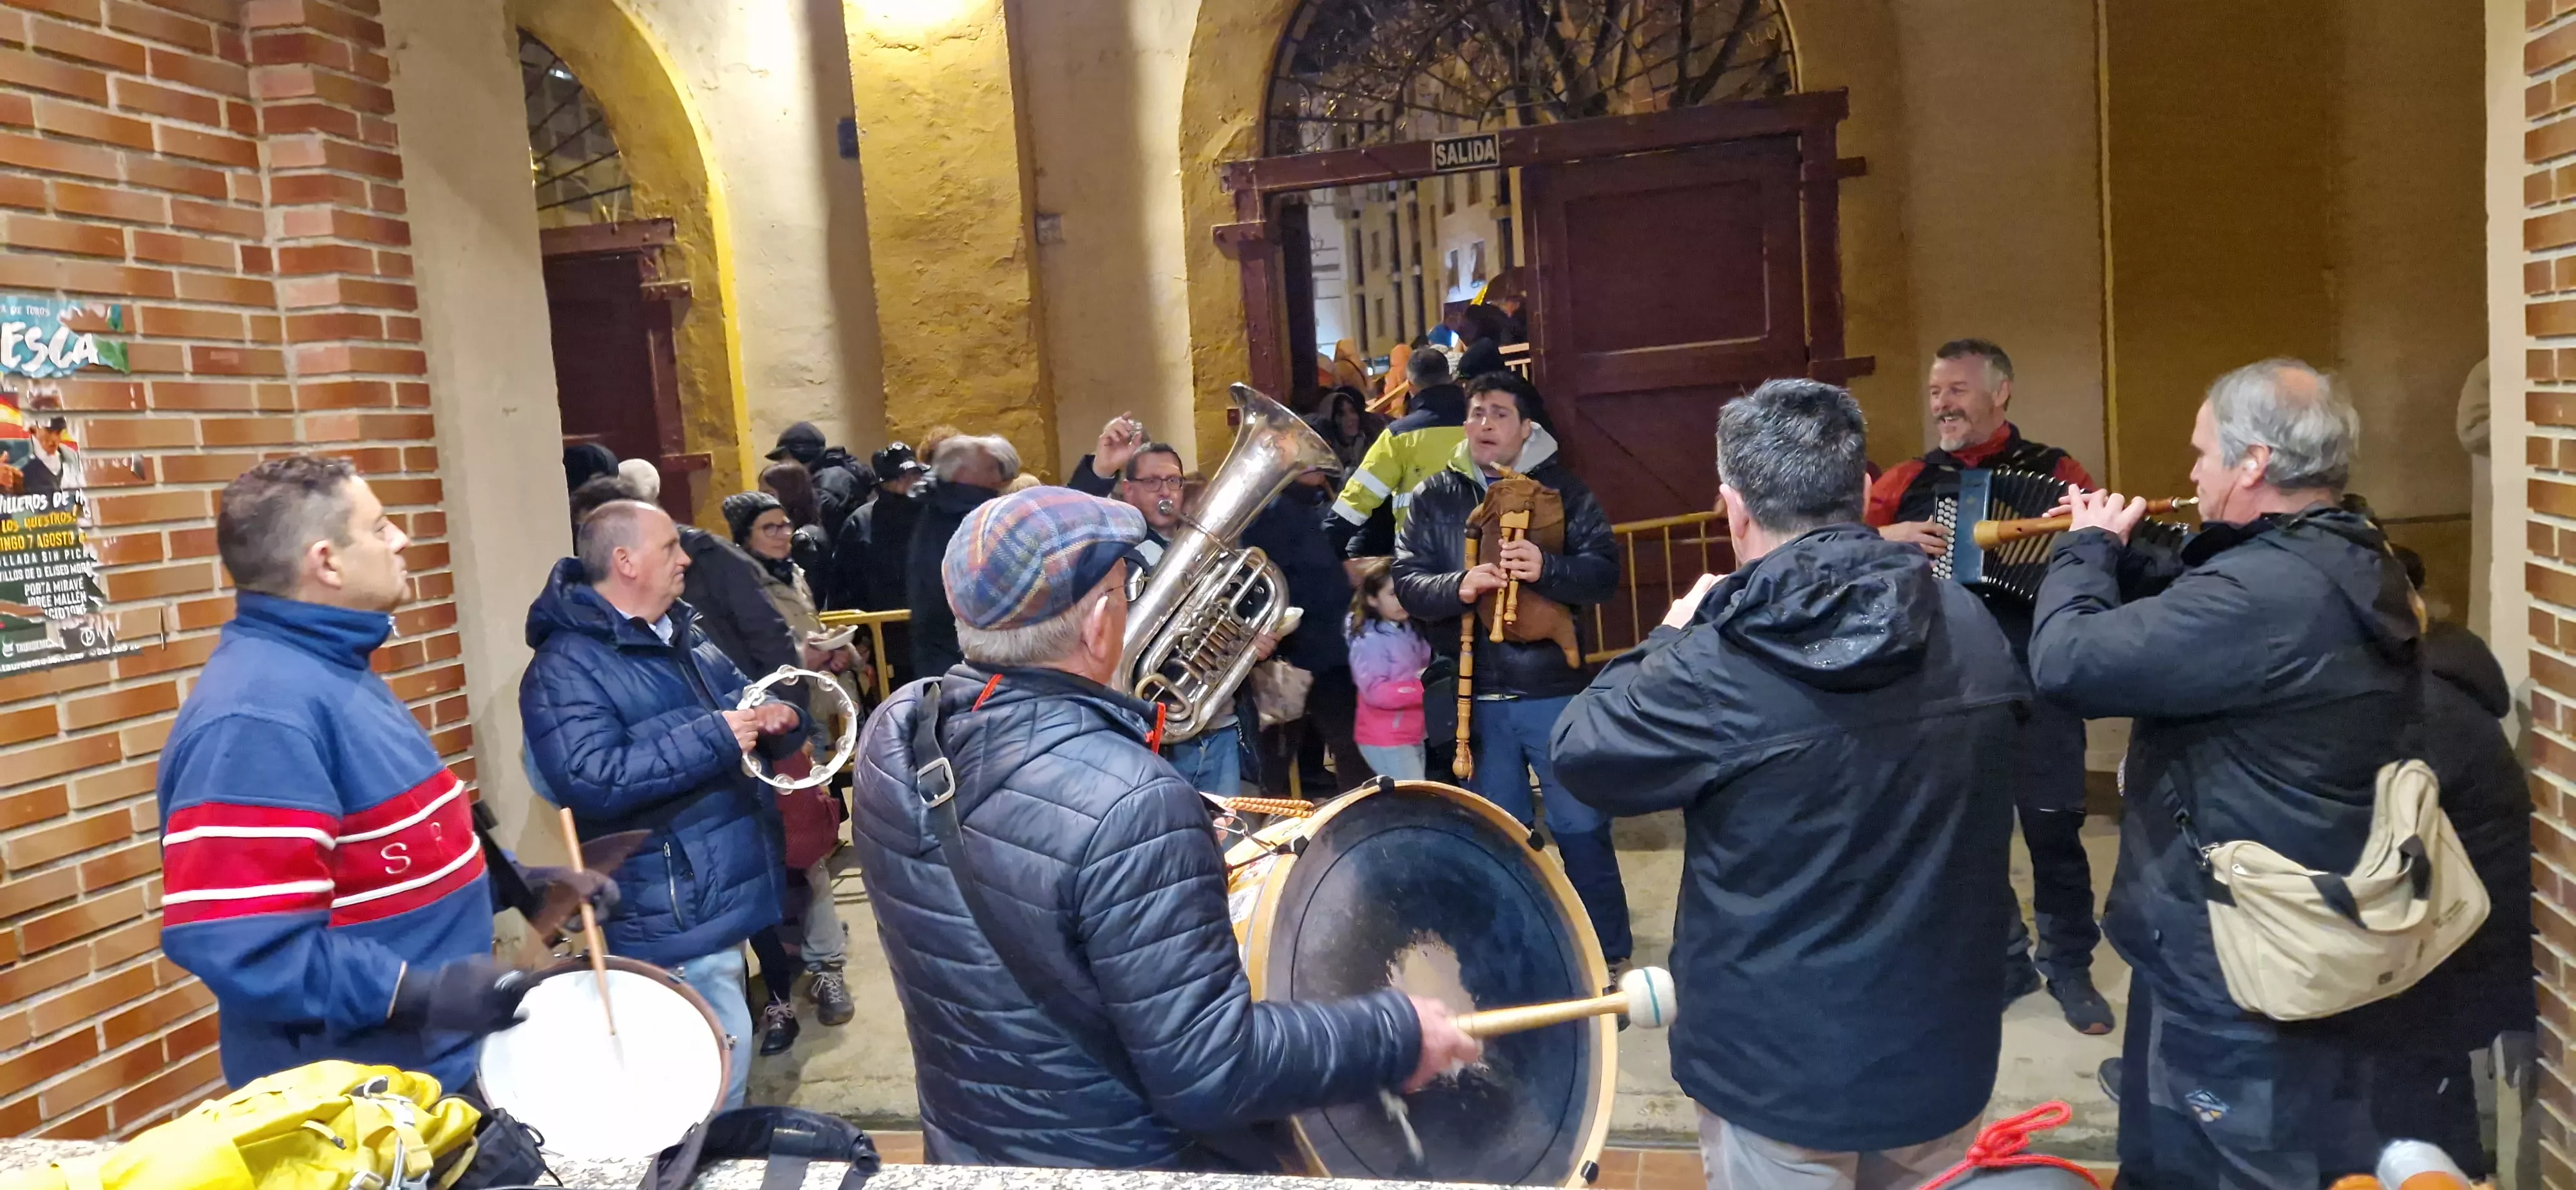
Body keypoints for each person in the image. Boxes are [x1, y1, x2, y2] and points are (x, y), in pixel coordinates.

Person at [848, 485, 1480, 1167]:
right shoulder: (1135, 801)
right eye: (1125, 589)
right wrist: (1393, 1032)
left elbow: (1008, 870)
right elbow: (1211, 1072)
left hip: (971, 1150)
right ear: (1096, 624)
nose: (1130, 604)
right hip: (1122, 1161)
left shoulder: (897, 731)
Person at [1549, 379, 2026, 1186]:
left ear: (1732, 509)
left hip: (1777, 1068)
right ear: (1867, 491)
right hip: (1940, 1042)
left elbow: (1581, 751)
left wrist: (1668, 635)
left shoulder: (1713, 662)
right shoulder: (1968, 623)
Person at [2029, 359, 2411, 1185]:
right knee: (2159, 1157)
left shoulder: (2267, 595)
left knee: (2230, 1166)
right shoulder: (2332, 552)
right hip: (2227, 935)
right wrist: (2132, 554)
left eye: (2203, 453)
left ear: (2255, 464)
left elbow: (2068, 662)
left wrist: (2084, 550)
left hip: (2236, 960)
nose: (2192, 470)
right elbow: (2203, 591)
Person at [158, 455, 614, 1093]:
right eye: (378, 528)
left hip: (434, 1076)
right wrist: (418, 993)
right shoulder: (257, 716)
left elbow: (392, 849)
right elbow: (242, 944)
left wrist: (519, 885)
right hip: (361, 1105)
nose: (401, 540)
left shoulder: (335, 670)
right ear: (327, 562)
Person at [520, 498, 809, 1110]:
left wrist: (780, 720)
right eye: (670, 548)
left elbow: (743, 703)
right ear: (625, 561)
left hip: (717, 895)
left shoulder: (685, 633)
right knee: (703, 1095)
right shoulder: (566, 666)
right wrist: (718, 734)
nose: (686, 560)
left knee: (721, 1073)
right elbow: (589, 777)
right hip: (670, 918)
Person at [1862, 339, 2110, 1033]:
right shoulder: (1906, 481)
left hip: (2039, 672)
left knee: (2054, 825)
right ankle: (2004, 961)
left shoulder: (2056, 471)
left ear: (2001, 393)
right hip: (1947, 678)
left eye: (1958, 390)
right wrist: (1887, 540)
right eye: (1936, 391)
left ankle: (2070, 964)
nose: (1942, 403)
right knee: (1973, 832)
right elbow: (1841, 554)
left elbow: (2097, 545)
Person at [1392, 372, 1629, 969]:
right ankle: (1516, 959)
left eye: (1499, 414)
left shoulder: (1566, 493)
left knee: (1581, 825)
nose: (1484, 425)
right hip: (1477, 700)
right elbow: (1407, 581)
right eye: (1476, 414)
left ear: (1527, 428)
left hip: (1552, 691)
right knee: (1501, 837)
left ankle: (1605, 954)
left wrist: (1547, 568)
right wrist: (1458, 584)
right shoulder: (1435, 497)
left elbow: (1603, 573)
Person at [2360, 547, 2531, 1182]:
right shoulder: (2441, 674)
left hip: (2452, 949)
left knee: (2416, 1105)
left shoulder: (2422, 708)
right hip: (2454, 941)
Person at [723, 491, 860, 1054]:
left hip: (793, 724)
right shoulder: (731, 589)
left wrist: (827, 657)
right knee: (760, 868)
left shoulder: (792, 574)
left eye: (785, 524)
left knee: (807, 855)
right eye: (769, 527)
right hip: (753, 736)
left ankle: (826, 966)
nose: (784, 534)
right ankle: (778, 988)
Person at [1243, 462, 1366, 795]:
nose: (1321, 466)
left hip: (1326, 649)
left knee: (1345, 752)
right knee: (1279, 759)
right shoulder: (1271, 513)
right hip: (1297, 653)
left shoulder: (1303, 507)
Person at [1325, 350, 1468, 558]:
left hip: (1419, 557)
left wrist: (1327, 545)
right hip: (1480, 552)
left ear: (1410, 387)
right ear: (1449, 379)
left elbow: (1359, 498)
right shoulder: (1482, 426)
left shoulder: (1398, 436)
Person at [907, 434, 1018, 679]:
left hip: (942, 649)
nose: (999, 477)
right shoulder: (974, 516)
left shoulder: (929, 507)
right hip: (970, 651)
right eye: (990, 468)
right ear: (962, 474)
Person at [1347, 558, 1429, 780]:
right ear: (1372, 599)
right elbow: (1375, 691)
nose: (1401, 599)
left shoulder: (1409, 628)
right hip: (1386, 738)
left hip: (1412, 732)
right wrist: (1424, 688)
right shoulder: (1369, 640)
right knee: (1413, 802)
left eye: (1405, 590)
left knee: (1413, 800)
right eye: (1393, 594)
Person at [826, 442, 930, 613]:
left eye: (914, 474)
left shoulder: (932, 514)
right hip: (881, 625)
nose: (910, 481)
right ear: (883, 483)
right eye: (901, 477)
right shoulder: (860, 523)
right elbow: (842, 583)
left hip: (932, 622)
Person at [769, 420, 872, 542]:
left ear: (801, 454)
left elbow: (815, 522)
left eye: (784, 457)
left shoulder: (828, 483)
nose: (781, 464)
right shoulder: (827, 475)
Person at [761, 461, 834, 581]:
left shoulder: (803, 541)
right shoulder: (804, 531)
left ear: (790, 496)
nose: (762, 502)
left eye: (770, 495)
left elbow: (807, 593)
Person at [1309, 387, 1385, 474]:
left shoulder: (1371, 440)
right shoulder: (1325, 458)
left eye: (1353, 411)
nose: (1351, 418)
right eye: (1341, 414)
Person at [20, 416, 77, 494]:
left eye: (58, 432)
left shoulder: (72, 457)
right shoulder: (16, 453)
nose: (54, 439)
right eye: (49, 431)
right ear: (34, 428)